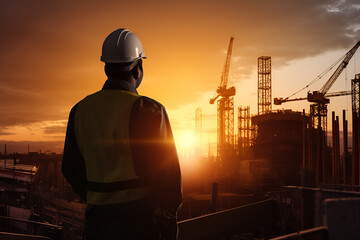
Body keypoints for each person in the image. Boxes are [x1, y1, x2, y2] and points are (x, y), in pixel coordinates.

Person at [62, 28, 182, 240]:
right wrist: (167, 221)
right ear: (137, 69)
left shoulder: (79, 110)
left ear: (106, 68)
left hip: (97, 226)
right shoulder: (149, 110)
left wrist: (98, 198)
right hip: (141, 226)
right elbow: (168, 177)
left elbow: (70, 167)